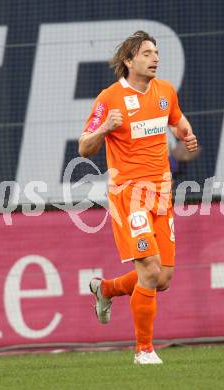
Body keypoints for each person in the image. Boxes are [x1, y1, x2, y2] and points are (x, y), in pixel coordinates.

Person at [78, 31, 198, 365]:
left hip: (162, 193)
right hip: (129, 195)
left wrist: (186, 134)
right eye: (146, 53)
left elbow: (176, 120)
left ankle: (106, 289)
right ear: (129, 61)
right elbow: (84, 146)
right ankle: (143, 351)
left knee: (163, 278)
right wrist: (104, 129)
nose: (155, 58)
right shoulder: (110, 98)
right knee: (148, 270)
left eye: (156, 52)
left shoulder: (165, 91)